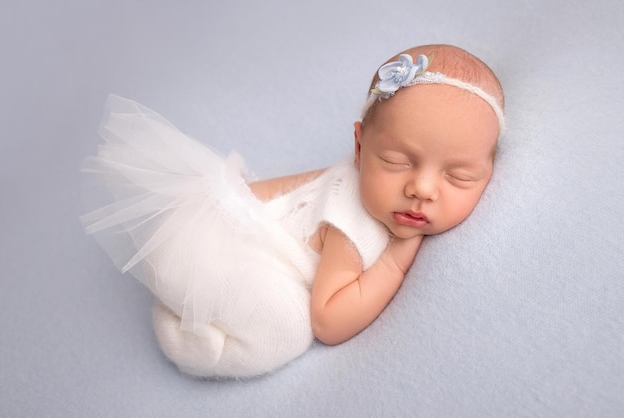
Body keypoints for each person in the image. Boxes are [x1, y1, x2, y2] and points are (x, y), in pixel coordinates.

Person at [81, 44, 505, 378]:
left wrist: (228, 198)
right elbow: (329, 322)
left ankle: (192, 296)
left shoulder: (353, 175)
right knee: (287, 330)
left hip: (203, 221)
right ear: (359, 148)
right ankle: (186, 335)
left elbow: (289, 187)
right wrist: (396, 259)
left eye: (460, 176)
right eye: (396, 162)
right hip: (200, 243)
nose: (422, 189)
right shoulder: (354, 225)